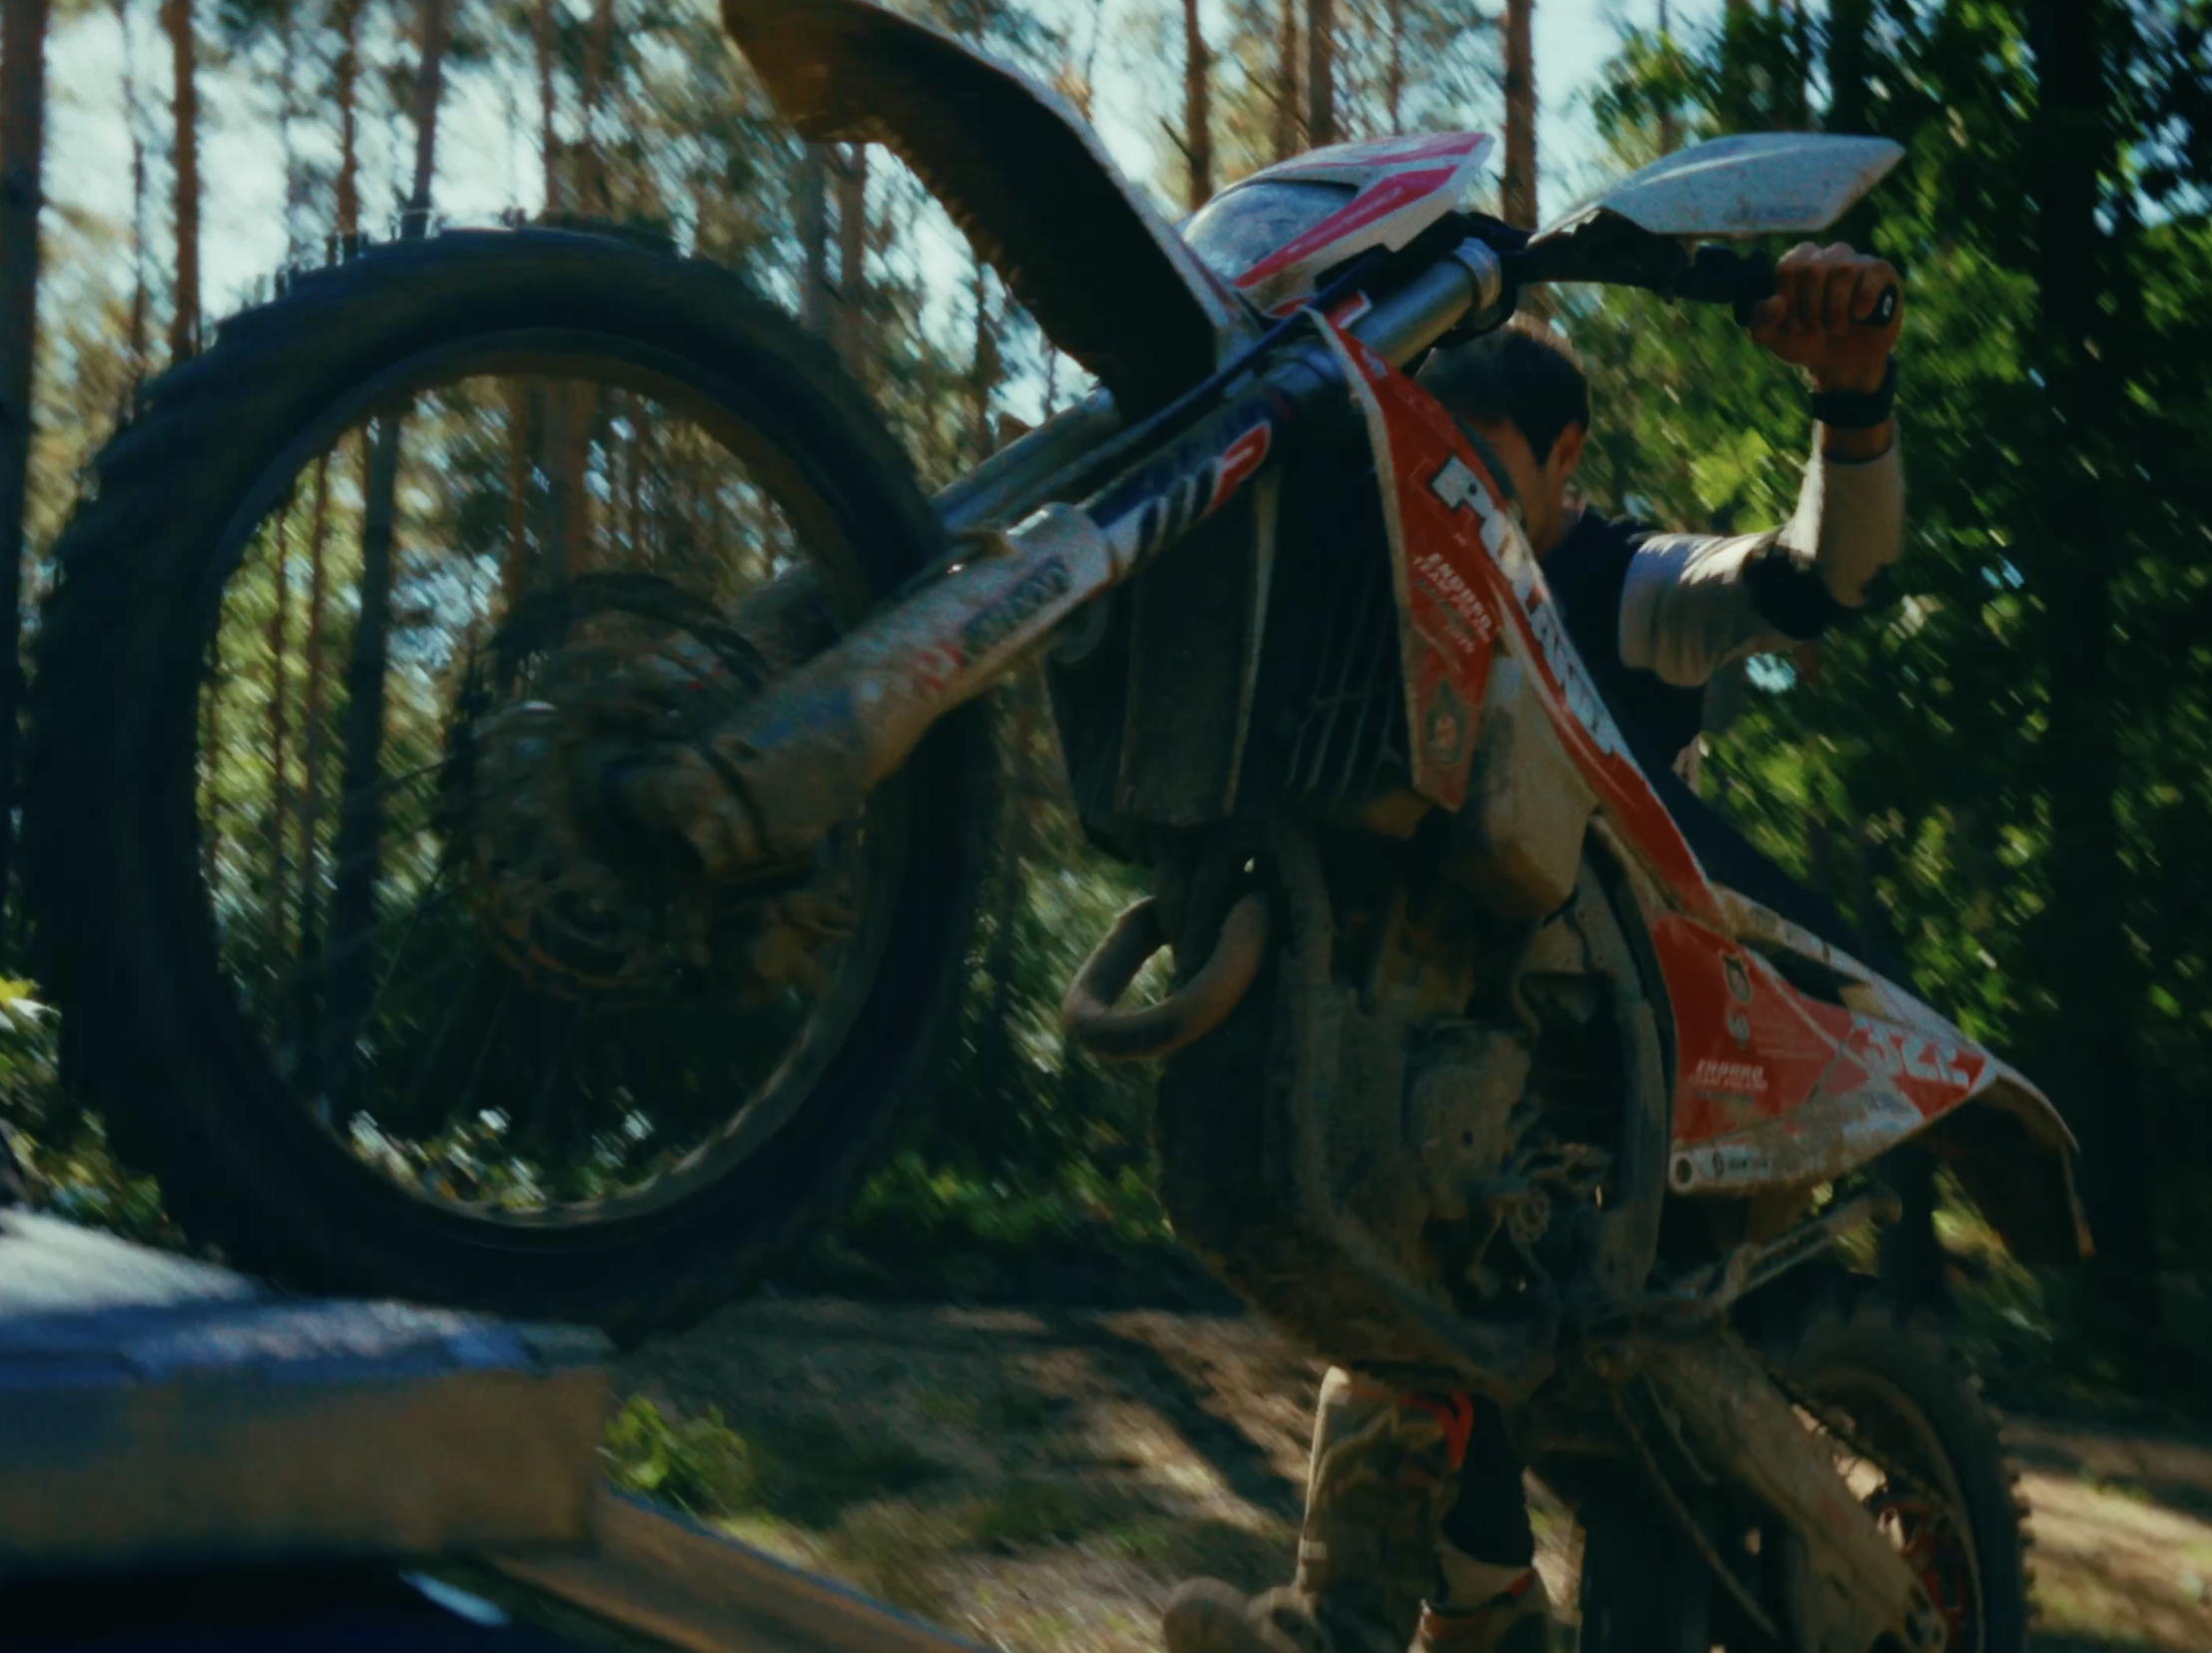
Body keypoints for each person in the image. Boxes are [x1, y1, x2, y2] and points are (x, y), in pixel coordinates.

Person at [1159, 241, 1906, 1653]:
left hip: (1661, 1090)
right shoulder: (1394, 585)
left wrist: (1852, 405)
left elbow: (1819, 577)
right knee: (1388, 1240)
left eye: (1487, 464)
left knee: (1427, 1270)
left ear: (1565, 458)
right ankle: (1480, 1618)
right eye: (1426, 452)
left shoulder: (1624, 582)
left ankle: (1371, 1628)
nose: (1455, 495)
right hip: (1492, 1105)